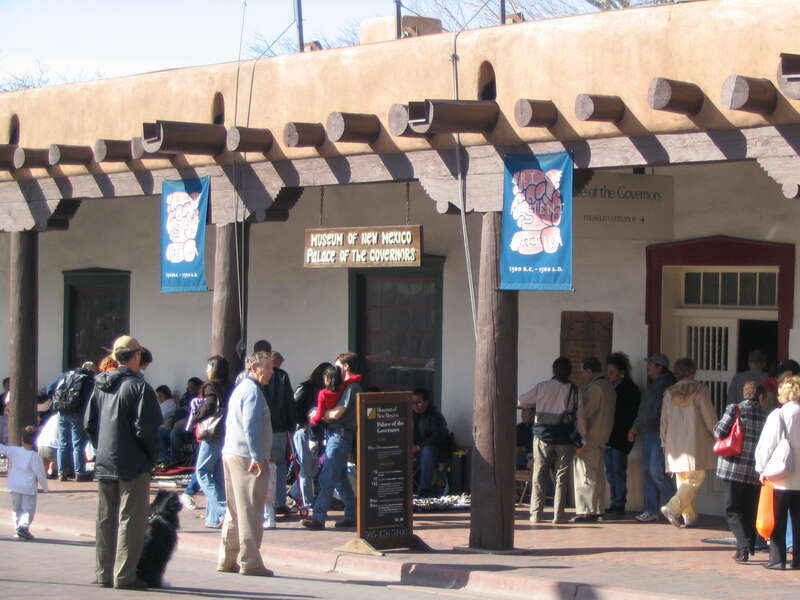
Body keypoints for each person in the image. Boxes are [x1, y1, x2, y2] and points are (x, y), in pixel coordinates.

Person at [85, 335, 162, 589]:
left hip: (105, 460)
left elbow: (89, 423)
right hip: (133, 462)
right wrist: (151, 457)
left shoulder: (100, 384)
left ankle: (102, 572)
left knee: (106, 518)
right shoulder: (140, 388)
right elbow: (147, 429)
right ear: (137, 355)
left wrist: (101, 448)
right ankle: (124, 574)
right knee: (131, 519)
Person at [218, 351, 274, 577]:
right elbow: (251, 427)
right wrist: (257, 456)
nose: (271, 371)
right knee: (250, 509)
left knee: (234, 509)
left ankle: (227, 558)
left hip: (231, 453)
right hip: (246, 457)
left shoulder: (240, 389)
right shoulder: (253, 392)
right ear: (254, 369)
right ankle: (250, 562)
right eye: (268, 367)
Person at [519, 356, 584, 524]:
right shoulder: (574, 390)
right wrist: (582, 439)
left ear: (554, 370)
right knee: (562, 477)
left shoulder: (542, 387)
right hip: (565, 438)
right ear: (569, 372)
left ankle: (535, 514)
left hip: (542, 436)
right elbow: (580, 417)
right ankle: (558, 514)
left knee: (539, 474)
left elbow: (523, 400)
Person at [302, 352, 361, 530]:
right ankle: (352, 514)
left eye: (337, 366)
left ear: (346, 367)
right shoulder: (345, 386)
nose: (334, 369)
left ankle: (319, 516)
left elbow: (338, 412)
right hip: (335, 434)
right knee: (340, 478)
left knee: (327, 476)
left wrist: (320, 415)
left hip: (340, 435)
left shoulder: (353, 387)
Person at [659, 357, 717, 528]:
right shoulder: (700, 390)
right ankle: (673, 507)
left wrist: (663, 440)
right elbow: (709, 416)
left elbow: (664, 419)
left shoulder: (669, 392)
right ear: (693, 372)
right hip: (695, 442)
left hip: (674, 442)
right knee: (695, 478)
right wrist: (717, 434)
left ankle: (689, 517)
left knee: (682, 478)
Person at [714, 381, 767, 563]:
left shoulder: (734, 409)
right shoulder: (765, 415)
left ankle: (743, 546)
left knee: (732, 509)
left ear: (745, 393)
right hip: (753, 470)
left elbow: (719, 432)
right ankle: (746, 547)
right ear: (760, 396)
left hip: (733, 468)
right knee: (749, 509)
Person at [755, 375, 800, 570]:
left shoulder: (778, 415)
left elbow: (766, 445)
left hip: (780, 476)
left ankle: (778, 558)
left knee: (777, 520)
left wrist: (762, 468)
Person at [628, 352, 677, 522]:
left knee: (656, 471)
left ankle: (676, 507)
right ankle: (651, 509)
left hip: (657, 432)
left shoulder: (663, 385)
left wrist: (635, 427)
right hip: (651, 431)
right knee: (650, 471)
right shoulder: (658, 383)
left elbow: (650, 410)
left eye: (651, 365)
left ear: (659, 367)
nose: (648, 368)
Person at [572, 357, 615, 523]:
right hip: (604, 434)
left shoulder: (595, 388)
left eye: (583, 371)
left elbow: (585, 413)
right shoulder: (609, 386)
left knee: (585, 472)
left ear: (589, 371)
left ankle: (586, 511)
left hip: (590, 435)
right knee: (598, 474)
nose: (582, 374)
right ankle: (598, 508)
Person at [193, 356, 231, 529]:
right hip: (225, 432)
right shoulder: (230, 385)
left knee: (202, 472)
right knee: (216, 475)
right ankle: (213, 518)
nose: (206, 370)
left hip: (212, 433)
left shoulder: (210, 386)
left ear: (214, 368)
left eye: (208, 367)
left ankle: (224, 509)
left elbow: (208, 406)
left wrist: (195, 417)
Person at [604, 352, 641, 516]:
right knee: (610, 471)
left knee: (618, 470)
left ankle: (619, 503)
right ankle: (614, 501)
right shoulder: (609, 387)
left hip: (620, 436)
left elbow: (628, 415)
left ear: (621, 372)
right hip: (609, 436)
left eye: (612, 372)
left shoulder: (630, 390)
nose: (609, 375)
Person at [291, 362, 331, 510]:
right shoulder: (305, 387)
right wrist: (303, 422)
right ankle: (308, 502)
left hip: (317, 430)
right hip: (304, 429)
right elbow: (293, 407)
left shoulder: (323, 389)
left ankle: (295, 492)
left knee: (314, 467)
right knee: (307, 468)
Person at [1, 425, 49, 539]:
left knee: (16, 508)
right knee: (28, 509)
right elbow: (40, 474)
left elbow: (2, 448)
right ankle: (23, 526)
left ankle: (17, 527)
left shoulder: (14, 451)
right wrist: (45, 487)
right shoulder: (35, 456)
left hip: (14, 485)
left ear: (22, 439)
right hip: (28, 487)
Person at [265, 350, 297, 517]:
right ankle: (279, 502)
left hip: (267, 427)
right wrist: (291, 424)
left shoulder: (258, 377)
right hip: (280, 427)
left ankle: (267, 505)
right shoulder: (282, 377)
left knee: (267, 465)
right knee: (279, 465)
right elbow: (289, 402)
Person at [52, 361, 96, 481]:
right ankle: (79, 472)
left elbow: (51, 389)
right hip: (76, 413)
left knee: (63, 443)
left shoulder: (67, 375)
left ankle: (62, 472)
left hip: (61, 412)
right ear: (92, 371)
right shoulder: (88, 380)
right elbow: (88, 400)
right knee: (78, 444)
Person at [411, 388, 451, 497]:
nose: (414, 405)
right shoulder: (410, 415)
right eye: (412, 403)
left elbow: (438, 436)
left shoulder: (435, 415)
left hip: (437, 451)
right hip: (417, 450)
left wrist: (420, 447)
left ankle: (424, 488)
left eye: (418, 402)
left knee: (427, 451)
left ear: (426, 402)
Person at [36, 412, 60, 478]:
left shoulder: (53, 417)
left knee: (43, 472)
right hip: (53, 447)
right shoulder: (64, 419)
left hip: (41, 444)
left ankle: (48, 470)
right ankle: (54, 468)